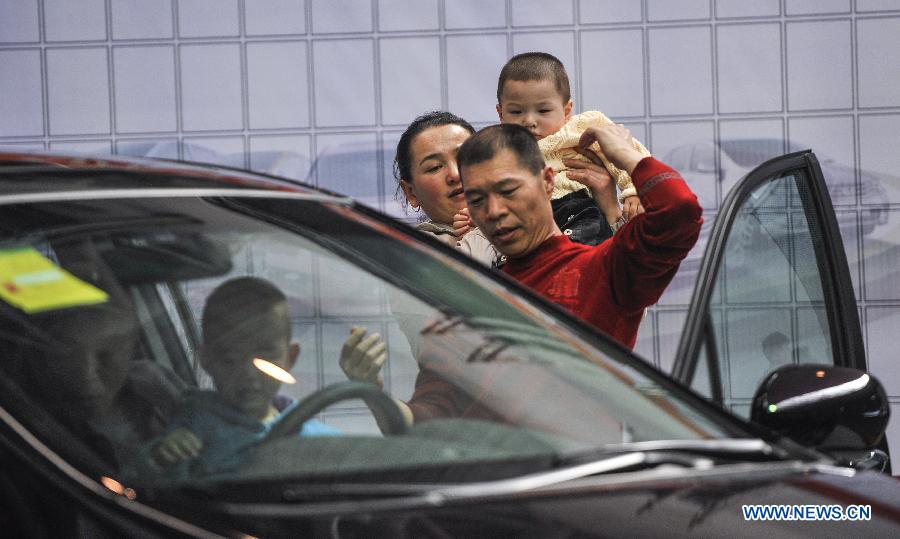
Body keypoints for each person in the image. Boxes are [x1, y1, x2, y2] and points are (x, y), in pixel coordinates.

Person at [458, 123, 702, 349]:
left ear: (547, 182)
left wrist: (627, 155)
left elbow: (679, 210)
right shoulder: (475, 295)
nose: (493, 212)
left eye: (508, 191)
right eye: (477, 200)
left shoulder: (602, 270)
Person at [143, 277, 339, 478]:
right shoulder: (195, 423)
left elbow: (354, 456)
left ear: (291, 357)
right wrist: (161, 455)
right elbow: (144, 476)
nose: (248, 373)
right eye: (230, 359)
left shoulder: (304, 426)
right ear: (206, 360)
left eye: (265, 357)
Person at [494, 52, 650, 245]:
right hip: (524, 219)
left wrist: (634, 190)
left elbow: (628, 152)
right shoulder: (495, 149)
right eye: (516, 112)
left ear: (566, 111)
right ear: (501, 114)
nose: (529, 121)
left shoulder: (580, 131)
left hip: (577, 209)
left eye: (543, 111)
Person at [393, 110, 500, 266]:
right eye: (434, 167)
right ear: (411, 193)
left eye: (465, 157)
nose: (455, 175)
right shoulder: (412, 253)